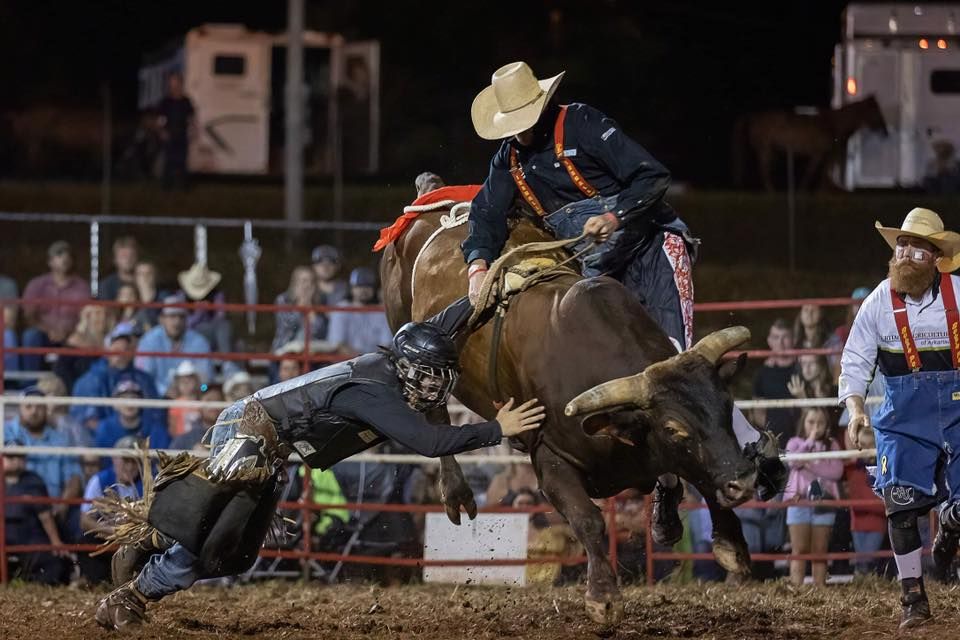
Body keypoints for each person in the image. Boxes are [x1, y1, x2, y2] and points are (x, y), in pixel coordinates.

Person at [461, 60, 783, 547]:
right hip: (596, 273)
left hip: (651, 249)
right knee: (623, 378)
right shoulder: (508, 162)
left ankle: (749, 454)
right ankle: (668, 475)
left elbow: (651, 177)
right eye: (515, 124)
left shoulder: (585, 124)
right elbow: (484, 216)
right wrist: (478, 265)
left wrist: (614, 214)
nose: (522, 131)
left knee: (678, 361)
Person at [94, 297, 546, 630]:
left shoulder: (394, 364)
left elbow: (441, 326)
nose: (434, 386)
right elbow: (428, 441)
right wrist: (496, 429)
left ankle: (151, 541)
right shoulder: (375, 392)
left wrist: (482, 293)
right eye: (428, 375)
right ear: (408, 368)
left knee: (237, 556)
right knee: (216, 544)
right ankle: (132, 595)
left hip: (271, 443)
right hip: (253, 433)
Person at [841, 208, 960, 628]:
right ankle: (914, 599)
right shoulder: (877, 302)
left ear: (936, 258)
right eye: (902, 245)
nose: (906, 253)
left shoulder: (959, 295)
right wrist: (856, 408)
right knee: (900, 503)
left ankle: (949, 526)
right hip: (903, 416)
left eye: (917, 247)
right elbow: (854, 362)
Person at [4, 386, 84, 522]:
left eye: (39, 407)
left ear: (46, 410)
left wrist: (63, 505)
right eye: (28, 407)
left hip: (54, 508)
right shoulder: (6, 433)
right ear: (20, 410)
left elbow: (74, 476)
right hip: (17, 506)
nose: (34, 412)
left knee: (79, 521)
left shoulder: (60, 439)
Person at [783, 408, 843, 586]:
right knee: (799, 549)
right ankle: (796, 588)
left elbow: (836, 472)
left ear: (827, 426)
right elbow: (793, 461)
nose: (815, 427)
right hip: (799, 500)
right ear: (803, 423)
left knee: (820, 549)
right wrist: (809, 442)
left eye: (820, 423)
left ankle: (820, 588)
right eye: (811, 422)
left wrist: (809, 466)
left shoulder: (831, 445)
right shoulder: (794, 442)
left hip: (824, 500)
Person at [71, 321, 161, 433]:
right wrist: (115, 432)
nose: (121, 354)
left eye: (126, 349)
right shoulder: (90, 380)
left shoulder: (144, 379)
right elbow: (87, 420)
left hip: (141, 437)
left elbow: (155, 414)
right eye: (117, 349)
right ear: (107, 350)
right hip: (104, 441)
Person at [3, 438, 70, 585]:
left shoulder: (33, 481)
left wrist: (55, 542)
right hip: (3, 531)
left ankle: (36, 586)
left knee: (53, 563)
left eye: (20, 456)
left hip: (28, 534)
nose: (15, 461)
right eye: (10, 456)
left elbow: (45, 516)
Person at [79, 436, 143, 584]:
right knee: (85, 541)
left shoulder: (147, 483)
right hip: (107, 537)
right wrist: (111, 531)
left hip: (137, 540)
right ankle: (96, 582)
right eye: (125, 461)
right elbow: (84, 520)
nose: (130, 466)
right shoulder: (99, 480)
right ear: (115, 460)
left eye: (134, 461)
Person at [21, 240, 90, 372]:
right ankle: (29, 383)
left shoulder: (82, 287)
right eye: (59, 255)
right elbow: (28, 316)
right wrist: (49, 330)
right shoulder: (36, 284)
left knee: (84, 340)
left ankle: (73, 386)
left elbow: (87, 317)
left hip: (72, 333)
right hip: (43, 334)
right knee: (30, 336)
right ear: (50, 261)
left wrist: (69, 332)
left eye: (68, 255)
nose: (64, 258)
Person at [136, 294, 212, 397]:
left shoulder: (199, 342)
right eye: (172, 316)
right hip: (156, 398)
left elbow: (206, 383)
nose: (177, 322)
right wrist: (164, 391)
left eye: (181, 317)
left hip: (192, 399)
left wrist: (198, 390)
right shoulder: (149, 341)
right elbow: (143, 378)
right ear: (162, 319)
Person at [177, 262, 235, 375]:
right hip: (190, 335)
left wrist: (210, 309)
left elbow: (221, 317)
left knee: (225, 326)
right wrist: (199, 314)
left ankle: (227, 364)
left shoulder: (217, 295)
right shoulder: (181, 297)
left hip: (213, 335)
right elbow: (182, 325)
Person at [325, 267, 394, 356]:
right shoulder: (341, 309)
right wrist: (361, 361)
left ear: (373, 289)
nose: (363, 290)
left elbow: (386, 345)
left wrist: (369, 362)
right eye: (359, 286)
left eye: (368, 286)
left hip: (375, 364)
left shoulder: (381, 312)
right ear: (351, 288)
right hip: (344, 364)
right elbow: (338, 344)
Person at [752, 318, 799, 446]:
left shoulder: (803, 369)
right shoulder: (762, 373)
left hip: (802, 438)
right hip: (774, 441)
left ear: (793, 340)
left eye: (785, 337)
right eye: (776, 337)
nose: (781, 342)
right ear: (769, 341)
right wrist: (772, 434)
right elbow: (758, 413)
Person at [93, 379, 170, 452]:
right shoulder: (105, 428)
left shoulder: (156, 429)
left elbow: (161, 460)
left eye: (134, 398)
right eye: (124, 398)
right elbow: (103, 461)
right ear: (115, 404)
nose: (129, 403)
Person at [54, 303, 114, 391]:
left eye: (106, 314)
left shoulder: (114, 339)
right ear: (87, 317)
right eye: (97, 313)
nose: (102, 318)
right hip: (80, 388)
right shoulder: (75, 341)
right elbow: (61, 369)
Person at [272, 266, 327, 355]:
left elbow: (319, 331)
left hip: (310, 354)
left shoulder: (319, 302)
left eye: (311, 281)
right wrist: (300, 306)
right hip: (284, 351)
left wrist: (309, 306)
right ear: (295, 283)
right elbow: (288, 325)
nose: (307, 285)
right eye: (304, 281)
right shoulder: (283, 300)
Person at [156, 71, 195, 190]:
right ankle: (166, 187)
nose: (174, 85)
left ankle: (183, 187)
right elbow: (160, 119)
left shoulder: (186, 101)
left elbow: (191, 118)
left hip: (182, 134)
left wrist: (192, 130)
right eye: (171, 82)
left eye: (176, 82)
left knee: (182, 161)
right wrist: (162, 131)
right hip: (169, 134)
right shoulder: (165, 102)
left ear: (180, 83)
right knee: (168, 162)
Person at [99, 236, 139, 302]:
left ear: (137, 258)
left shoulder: (147, 282)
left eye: (132, 255)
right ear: (115, 260)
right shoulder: (106, 286)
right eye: (123, 256)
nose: (128, 259)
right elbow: (105, 310)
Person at [0, 272, 20, 374]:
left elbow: (9, 321)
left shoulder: (7, 285)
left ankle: (10, 380)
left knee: (8, 335)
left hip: (2, 330)